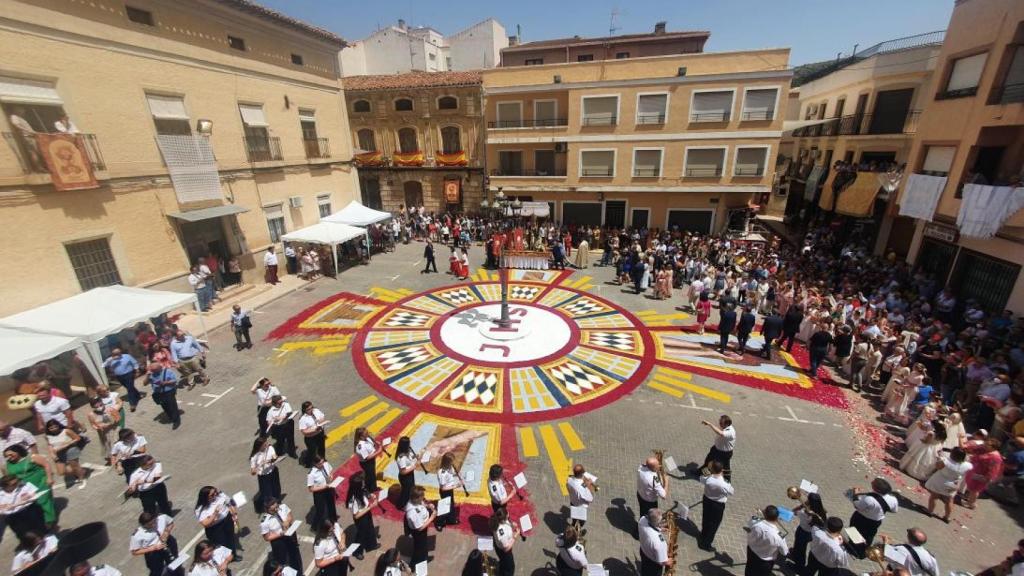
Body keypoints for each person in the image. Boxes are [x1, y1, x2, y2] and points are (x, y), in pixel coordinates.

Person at [3, 445, 55, 528]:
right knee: (32, 504)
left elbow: (46, 465)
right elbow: (8, 477)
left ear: (18, 452)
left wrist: (49, 478)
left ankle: (49, 521)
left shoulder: (32, 457)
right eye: (6, 456)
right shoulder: (7, 465)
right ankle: (40, 520)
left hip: (41, 482)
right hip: (24, 487)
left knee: (43, 501)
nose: (9, 457)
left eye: (11, 454)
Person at [848, 477, 898, 556]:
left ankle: (853, 548)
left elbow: (857, 506)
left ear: (876, 489)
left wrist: (856, 494)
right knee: (869, 535)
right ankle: (865, 549)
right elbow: (894, 510)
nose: (871, 483)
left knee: (854, 531)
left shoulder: (869, 499)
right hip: (876, 521)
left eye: (873, 483)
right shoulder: (893, 499)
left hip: (861, 518)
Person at [924, 447, 972, 523]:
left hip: (940, 481)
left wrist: (939, 458)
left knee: (934, 496)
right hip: (953, 483)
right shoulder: (968, 465)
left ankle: (930, 511)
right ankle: (947, 517)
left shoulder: (945, 461)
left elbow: (938, 466)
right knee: (949, 501)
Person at [130, 511, 181, 576]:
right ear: (142, 525)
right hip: (153, 552)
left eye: (154, 522)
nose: (153, 525)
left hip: (168, 543)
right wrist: (152, 548)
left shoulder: (162, 517)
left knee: (174, 562)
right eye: (149, 525)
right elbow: (134, 552)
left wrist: (166, 532)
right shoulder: (137, 535)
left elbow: (171, 523)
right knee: (156, 570)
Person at [698, 460, 733, 552]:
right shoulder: (724, 483)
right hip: (718, 505)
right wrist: (726, 478)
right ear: (721, 470)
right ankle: (706, 544)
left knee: (706, 519)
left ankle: (703, 535)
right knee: (714, 524)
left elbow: (701, 478)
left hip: (707, 500)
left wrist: (709, 471)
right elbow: (731, 492)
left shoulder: (707, 478)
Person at [194, 486, 238, 557]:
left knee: (230, 539)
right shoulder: (200, 509)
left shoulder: (220, 495)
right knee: (221, 545)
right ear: (205, 497)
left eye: (215, 492)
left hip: (227, 520)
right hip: (215, 528)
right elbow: (205, 523)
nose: (215, 495)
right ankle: (224, 560)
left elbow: (230, 503)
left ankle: (233, 555)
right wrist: (215, 514)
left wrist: (234, 514)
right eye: (212, 495)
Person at [260, 497, 302, 572]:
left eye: (277, 507)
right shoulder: (264, 521)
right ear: (267, 509)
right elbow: (267, 537)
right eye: (273, 509)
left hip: (290, 535)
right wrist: (281, 534)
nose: (276, 510)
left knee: (295, 556)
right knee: (283, 561)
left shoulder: (283, 507)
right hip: (278, 541)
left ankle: (298, 572)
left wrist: (287, 521)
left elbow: (290, 516)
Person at [746, 505, 789, 576]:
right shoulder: (780, 535)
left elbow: (750, 522)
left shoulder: (755, 520)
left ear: (765, 514)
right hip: (765, 561)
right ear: (777, 518)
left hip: (751, 552)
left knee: (749, 570)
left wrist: (761, 516)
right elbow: (784, 552)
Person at [0, 474, 46, 539]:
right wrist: (3, 506)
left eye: (18, 481)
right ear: (5, 487)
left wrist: (30, 496)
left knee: (40, 530)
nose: (18, 484)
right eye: (14, 484)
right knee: (24, 536)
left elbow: (35, 496)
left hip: (30, 510)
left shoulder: (25, 485)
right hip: (13, 517)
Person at [790, 492, 827, 570]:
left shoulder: (804, 513)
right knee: (799, 547)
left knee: (800, 549)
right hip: (811, 533)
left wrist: (802, 505)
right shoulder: (822, 511)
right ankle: (795, 554)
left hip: (803, 531)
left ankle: (799, 566)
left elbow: (793, 511)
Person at [45, 419, 87, 489]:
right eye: (51, 428)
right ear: (48, 429)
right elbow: (49, 445)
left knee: (75, 466)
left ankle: (82, 479)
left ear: (58, 425)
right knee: (61, 472)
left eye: (55, 426)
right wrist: (52, 454)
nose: (54, 429)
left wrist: (66, 445)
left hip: (71, 450)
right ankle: (81, 471)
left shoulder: (66, 431)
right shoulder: (47, 436)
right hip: (59, 453)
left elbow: (78, 438)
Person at [963, 438, 1004, 509]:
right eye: (986, 443)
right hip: (978, 472)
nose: (985, 445)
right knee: (972, 488)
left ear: (993, 447)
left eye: (987, 444)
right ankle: (970, 500)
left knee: (975, 490)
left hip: (983, 476)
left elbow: (994, 470)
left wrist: (987, 478)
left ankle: (971, 504)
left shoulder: (995, 457)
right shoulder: (987, 451)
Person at [346, 470, 379, 556]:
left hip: (366, 512)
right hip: (361, 518)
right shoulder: (353, 500)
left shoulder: (361, 489)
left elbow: (365, 493)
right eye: (362, 483)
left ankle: (371, 545)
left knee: (370, 528)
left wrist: (371, 495)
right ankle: (357, 552)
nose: (364, 484)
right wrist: (370, 507)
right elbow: (356, 516)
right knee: (360, 535)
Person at [405, 486, 436, 567]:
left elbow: (422, 504)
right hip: (419, 532)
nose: (423, 497)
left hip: (421, 528)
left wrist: (428, 506)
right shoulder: (412, 513)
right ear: (416, 498)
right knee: (419, 549)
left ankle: (423, 558)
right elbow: (420, 528)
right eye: (422, 496)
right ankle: (413, 565)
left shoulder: (416, 501)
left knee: (422, 545)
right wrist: (432, 518)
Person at [250, 435, 281, 513]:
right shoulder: (255, 456)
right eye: (264, 444)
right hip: (263, 476)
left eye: (266, 443)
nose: (267, 444)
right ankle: (269, 508)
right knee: (267, 492)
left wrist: (270, 460)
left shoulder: (270, 448)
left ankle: (277, 502)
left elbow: (275, 456)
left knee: (276, 487)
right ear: (260, 446)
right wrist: (259, 465)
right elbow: (252, 472)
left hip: (273, 471)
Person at [147, 362, 181, 429]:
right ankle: (170, 416)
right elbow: (144, 383)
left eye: (154, 370)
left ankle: (176, 421)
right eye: (152, 370)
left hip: (169, 392)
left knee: (172, 406)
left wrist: (165, 382)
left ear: (159, 368)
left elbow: (175, 380)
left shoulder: (168, 371)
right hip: (158, 393)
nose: (152, 371)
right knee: (164, 406)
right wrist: (147, 376)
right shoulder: (151, 374)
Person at [638, 508, 672, 576]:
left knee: (644, 570)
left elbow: (650, 526)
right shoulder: (660, 543)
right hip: (653, 564)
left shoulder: (642, 519)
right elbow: (661, 561)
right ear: (658, 523)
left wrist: (660, 529)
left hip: (643, 552)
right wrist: (668, 562)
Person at [702, 415, 736, 482]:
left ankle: (727, 480)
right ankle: (702, 473)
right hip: (716, 449)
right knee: (708, 461)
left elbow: (721, 433)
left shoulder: (731, 432)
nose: (719, 424)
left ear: (726, 424)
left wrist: (710, 424)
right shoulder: (724, 427)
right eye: (719, 422)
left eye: (721, 423)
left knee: (725, 468)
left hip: (724, 453)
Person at [308, 454, 339, 526]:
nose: (322, 465)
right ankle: (316, 526)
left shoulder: (326, 464)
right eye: (320, 464)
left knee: (331, 505)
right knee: (320, 510)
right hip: (319, 493)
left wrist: (331, 476)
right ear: (315, 464)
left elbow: (331, 471)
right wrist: (324, 487)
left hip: (328, 489)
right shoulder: (311, 474)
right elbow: (311, 489)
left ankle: (333, 520)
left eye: (322, 462)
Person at [436, 452, 463, 530]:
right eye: (451, 462)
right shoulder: (442, 473)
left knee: (451, 505)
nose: (452, 463)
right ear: (447, 462)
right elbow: (443, 488)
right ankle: (439, 523)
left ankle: (450, 520)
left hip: (450, 490)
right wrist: (456, 486)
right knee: (444, 507)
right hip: (445, 492)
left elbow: (451, 474)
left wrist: (458, 475)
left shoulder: (449, 467)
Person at [266, 395, 298, 459]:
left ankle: (292, 452)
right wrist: (274, 421)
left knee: (290, 438)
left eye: (281, 401)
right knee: (280, 440)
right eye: (279, 403)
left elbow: (289, 412)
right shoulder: (271, 411)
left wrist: (281, 417)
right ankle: (279, 452)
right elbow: (268, 421)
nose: (281, 403)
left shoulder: (285, 404)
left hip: (288, 424)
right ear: (274, 403)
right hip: (279, 427)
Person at [566, 464, 595, 530]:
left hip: (573, 502)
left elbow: (569, 487)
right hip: (581, 507)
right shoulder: (583, 489)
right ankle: (576, 532)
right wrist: (589, 486)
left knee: (574, 519)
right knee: (581, 522)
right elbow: (590, 499)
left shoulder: (569, 480)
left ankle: (573, 527)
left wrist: (585, 484)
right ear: (582, 474)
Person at [354, 427, 383, 493]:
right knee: (371, 476)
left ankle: (372, 487)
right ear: (361, 436)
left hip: (371, 461)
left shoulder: (367, 438)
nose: (368, 434)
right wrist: (378, 451)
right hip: (367, 463)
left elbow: (372, 445)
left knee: (371, 474)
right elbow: (367, 458)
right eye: (366, 433)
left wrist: (376, 444)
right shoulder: (360, 446)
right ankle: (371, 490)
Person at [491, 507, 518, 576]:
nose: (508, 514)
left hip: (499, 547)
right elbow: (506, 549)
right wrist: (515, 536)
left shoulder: (498, 519)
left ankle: (501, 570)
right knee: (510, 568)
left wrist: (511, 524)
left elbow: (507, 521)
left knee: (503, 564)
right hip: (504, 552)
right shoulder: (501, 533)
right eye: (507, 514)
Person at [395, 436, 417, 509]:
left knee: (410, 490)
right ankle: (401, 505)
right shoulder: (402, 457)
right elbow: (403, 472)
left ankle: (408, 503)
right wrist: (414, 467)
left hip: (410, 475)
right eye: (408, 443)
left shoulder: (408, 452)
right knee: (406, 492)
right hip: (405, 477)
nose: (410, 445)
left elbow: (411, 459)